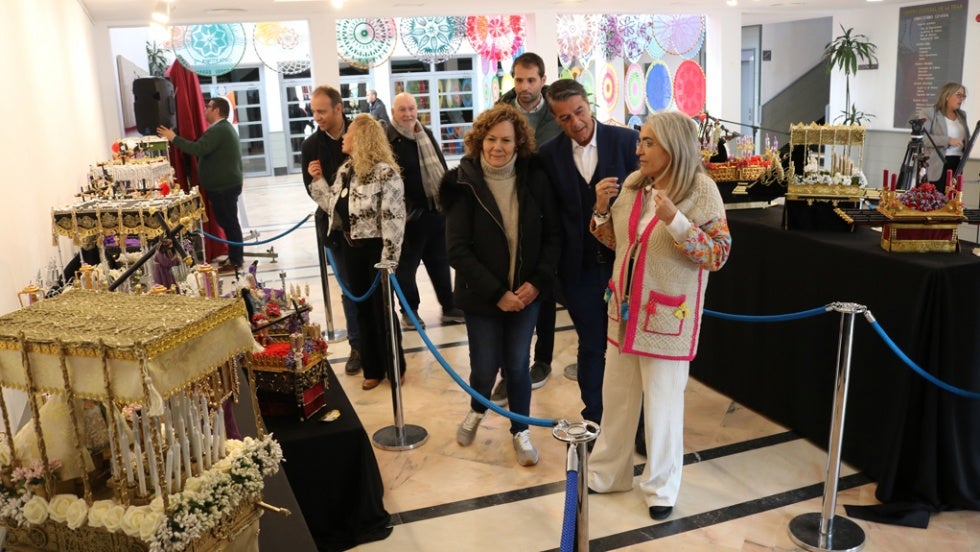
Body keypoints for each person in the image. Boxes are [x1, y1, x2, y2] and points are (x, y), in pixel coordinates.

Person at [587, 111, 731, 521]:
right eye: (641, 141)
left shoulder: (701, 191)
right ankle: (606, 473)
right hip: (623, 314)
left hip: (667, 320)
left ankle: (660, 488)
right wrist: (599, 211)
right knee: (615, 401)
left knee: (663, 408)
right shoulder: (635, 185)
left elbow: (717, 255)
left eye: (649, 142)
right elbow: (617, 242)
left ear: (673, 146)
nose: (639, 149)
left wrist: (676, 220)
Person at [441, 104, 561, 466]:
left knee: (516, 364)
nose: (498, 147)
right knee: (484, 366)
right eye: (491, 139)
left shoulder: (535, 178)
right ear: (479, 141)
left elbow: (553, 236)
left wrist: (536, 284)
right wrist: (498, 293)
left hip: (527, 294)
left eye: (506, 140)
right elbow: (457, 250)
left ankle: (519, 429)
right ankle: (477, 409)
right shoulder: (461, 183)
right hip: (483, 296)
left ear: (518, 142)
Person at [538, 79, 638, 425]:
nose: (575, 123)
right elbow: (549, 218)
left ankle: (633, 423)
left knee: (629, 349)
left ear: (589, 104)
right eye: (564, 118)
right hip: (578, 272)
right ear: (555, 118)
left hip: (625, 267)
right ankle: (595, 419)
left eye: (579, 111)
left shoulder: (626, 142)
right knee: (593, 346)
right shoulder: (548, 156)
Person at [309, 114, 407, 391]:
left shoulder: (385, 173)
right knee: (362, 310)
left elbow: (394, 218)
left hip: (375, 250)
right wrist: (317, 181)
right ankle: (373, 369)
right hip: (351, 250)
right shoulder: (346, 170)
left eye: (349, 133)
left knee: (383, 312)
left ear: (361, 139)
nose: (344, 137)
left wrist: (390, 258)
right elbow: (331, 205)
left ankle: (395, 365)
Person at [490, 52, 564, 403]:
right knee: (510, 288)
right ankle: (510, 370)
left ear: (542, 79)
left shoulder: (555, 112)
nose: (524, 87)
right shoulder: (501, 111)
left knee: (542, 286)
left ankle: (543, 360)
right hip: (509, 204)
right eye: (519, 80)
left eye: (531, 80)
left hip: (547, 205)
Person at [387, 92, 464, 330]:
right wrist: (405, 211)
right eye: (402, 109)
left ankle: (449, 306)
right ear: (393, 112)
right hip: (410, 218)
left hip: (436, 213)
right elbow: (389, 180)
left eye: (411, 108)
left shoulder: (425, 133)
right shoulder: (389, 141)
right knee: (407, 268)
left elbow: (439, 167)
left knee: (440, 262)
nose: (408, 114)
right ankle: (410, 311)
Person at [300, 85, 362, 376]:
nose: (317, 116)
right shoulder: (311, 146)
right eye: (314, 111)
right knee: (350, 290)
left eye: (322, 111)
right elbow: (312, 191)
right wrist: (319, 182)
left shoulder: (360, 135)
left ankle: (380, 344)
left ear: (339, 108)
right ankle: (358, 346)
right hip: (334, 230)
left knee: (374, 287)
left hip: (367, 227)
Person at [157, 96, 244, 272]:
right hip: (224, 186)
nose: (205, 109)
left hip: (224, 188)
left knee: (230, 223)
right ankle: (235, 256)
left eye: (208, 107)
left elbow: (198, 149)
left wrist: (173, 137)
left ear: (217, 110)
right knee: (228, 222)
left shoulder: (219, 130)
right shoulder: (221, 129)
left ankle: (236, 259)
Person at [921, 82, 969, 192]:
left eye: (963, 96)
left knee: (953, 202)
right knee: (937, 201)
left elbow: (966, 139)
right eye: (958, 95)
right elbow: (924, 138)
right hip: (938, 163)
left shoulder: (962, 115)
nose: (961, 99)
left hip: (957, 163)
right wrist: (948, 140)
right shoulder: (930, 113)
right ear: (947, 96)